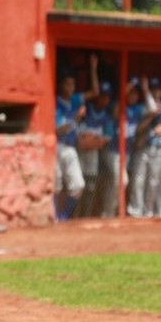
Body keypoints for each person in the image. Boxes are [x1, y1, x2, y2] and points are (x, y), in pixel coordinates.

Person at [53, 56, 99, 220]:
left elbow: (95, 92)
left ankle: (63, 216)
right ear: (60, 85)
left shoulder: (74, 100)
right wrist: (76, 119)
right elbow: (56, 130)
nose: (71, 87)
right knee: (56, 186)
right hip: (56, 146)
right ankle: (55, 216)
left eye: (73, 84)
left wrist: (93, 68)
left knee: (78, 185)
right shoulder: (55, 103)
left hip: (70, 146)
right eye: (67, 84)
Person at [76, 81, 117, 217]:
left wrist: (91, 142)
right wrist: (88, 141)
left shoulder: (106, 116)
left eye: (107, 96)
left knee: (90, 186)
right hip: (78, 152)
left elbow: (106, 139)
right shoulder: (85, 110)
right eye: (102, 96)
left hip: (92, 153)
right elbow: (78, 136)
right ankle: (73, 216)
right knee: (76, 186)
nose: (105, 99)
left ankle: (86, 216)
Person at [128, 77, 161, 217]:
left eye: (158, 89)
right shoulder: (140, 108)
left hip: (158, 148)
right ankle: (135, 210)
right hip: (143, 147)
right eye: (153, 89)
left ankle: (148, 210)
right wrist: (150, 117)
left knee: (153, 182)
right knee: (138, 180)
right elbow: (137, 129)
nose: (156, 92)